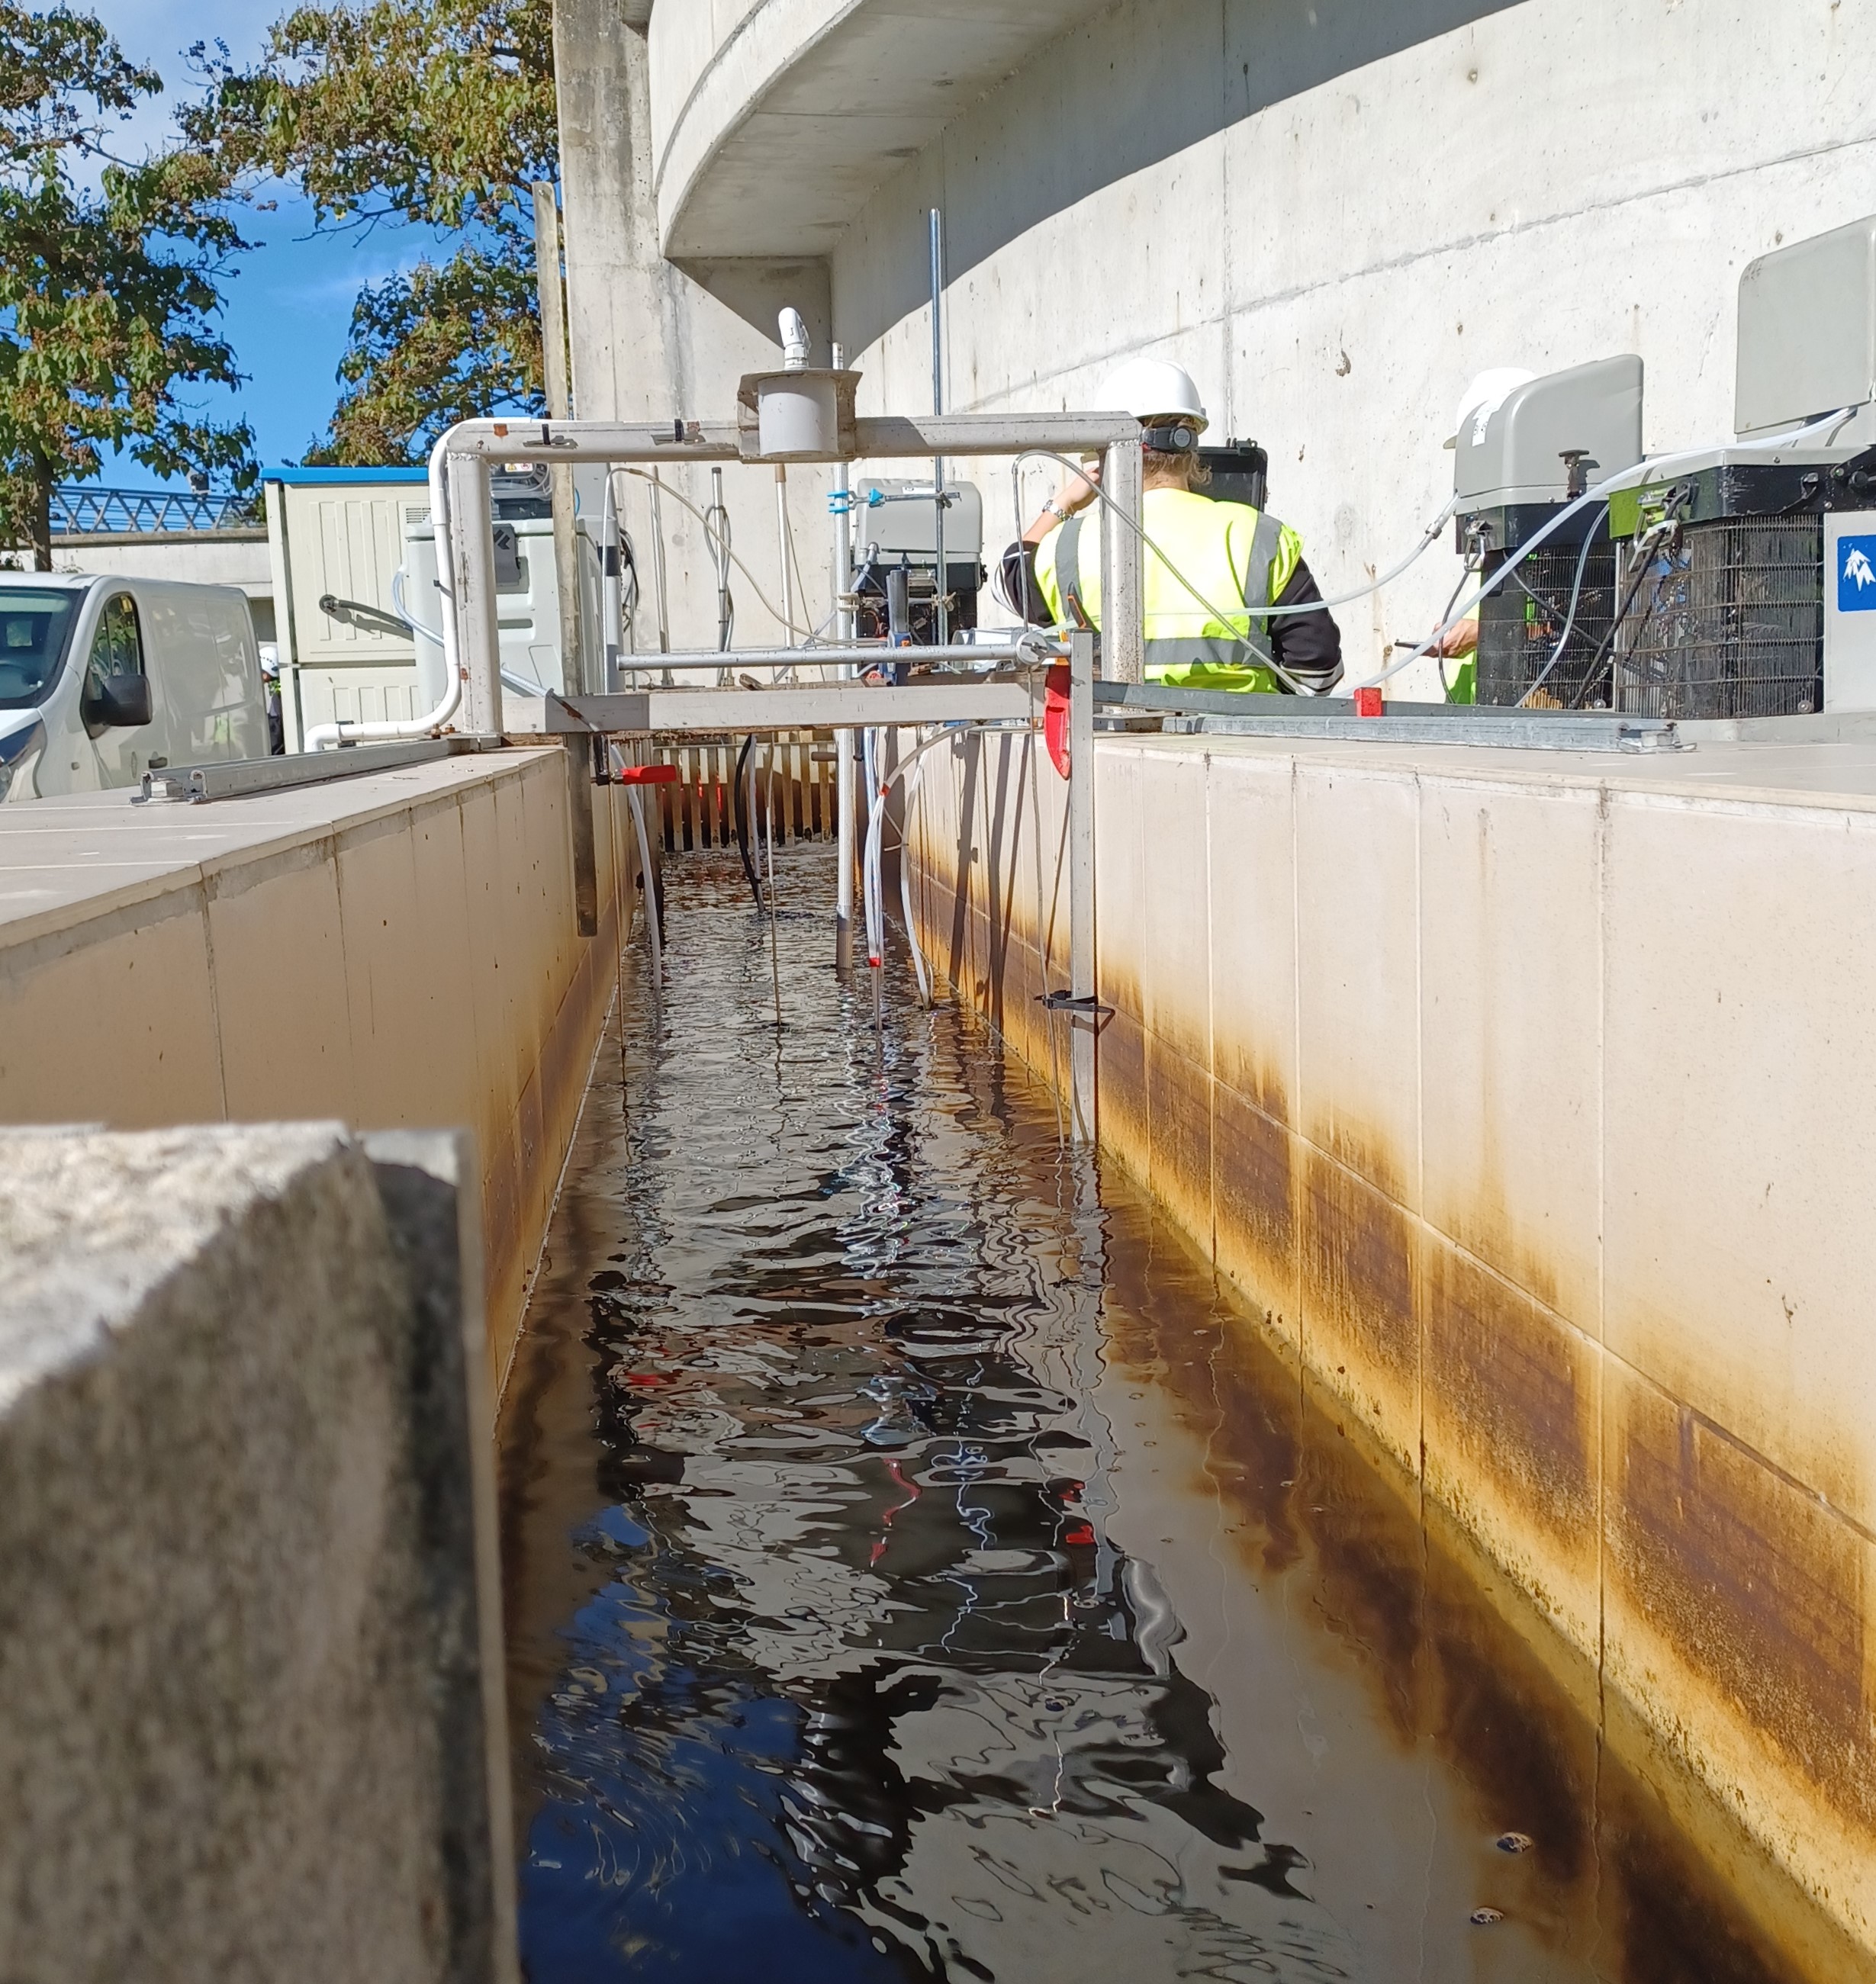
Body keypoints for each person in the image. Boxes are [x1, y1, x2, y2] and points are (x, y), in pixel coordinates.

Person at [1001, 359, 1341, 692]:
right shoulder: (1258, 536)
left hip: (1107, 737)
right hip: (1242, 738)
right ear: (1191, 444)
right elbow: (1318, 671)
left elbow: (1010, 574)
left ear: (1102, 453)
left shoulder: (1066, 546)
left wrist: (1065, 504)